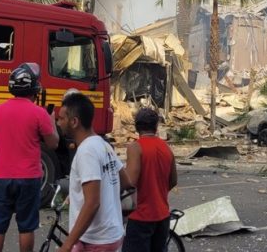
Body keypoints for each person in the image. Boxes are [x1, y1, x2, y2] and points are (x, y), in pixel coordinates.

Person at [0, 63, 59, 252]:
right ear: (34, 88)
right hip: (29, 178)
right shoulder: (39, 113)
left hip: (0, 178)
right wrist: (52, 122)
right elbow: (53, 144)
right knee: (26, 227)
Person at [57, 92, 131, 252]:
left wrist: (67, 245)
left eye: (61, 118)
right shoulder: (103, 144)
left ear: (74, 122)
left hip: (96, 240)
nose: (58, 122)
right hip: (111, 234)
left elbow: (92, 203)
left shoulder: (86, 151)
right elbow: (126, 181)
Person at [123, 108, 178, 252]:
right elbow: (173, 181)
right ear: (156, 126)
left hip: (141, 217)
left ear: (136, 127)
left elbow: (130, 182)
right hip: (162, 216)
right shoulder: (166, 148)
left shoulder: (135, 147)